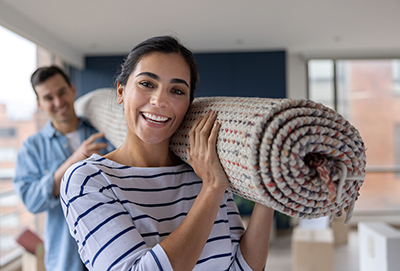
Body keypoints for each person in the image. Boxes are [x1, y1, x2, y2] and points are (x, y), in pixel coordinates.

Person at [61, 36, 274, 271]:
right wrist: (212, 190)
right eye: (147, 84)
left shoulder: (202, 168)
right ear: (121, 91)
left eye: (176, 90)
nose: (159, 100)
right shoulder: (88, 180)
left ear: (188, 105)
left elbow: (242, 268)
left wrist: (271, 187)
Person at [13, 66, 114, 271]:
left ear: (72, 90)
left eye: (62, 93)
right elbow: (32, 202)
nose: (58, 102)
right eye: (49, 98)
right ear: (39, 103)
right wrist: (74, 160)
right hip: (66, 260)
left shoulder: (103, 130)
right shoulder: (32, 148)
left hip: (110, 251)